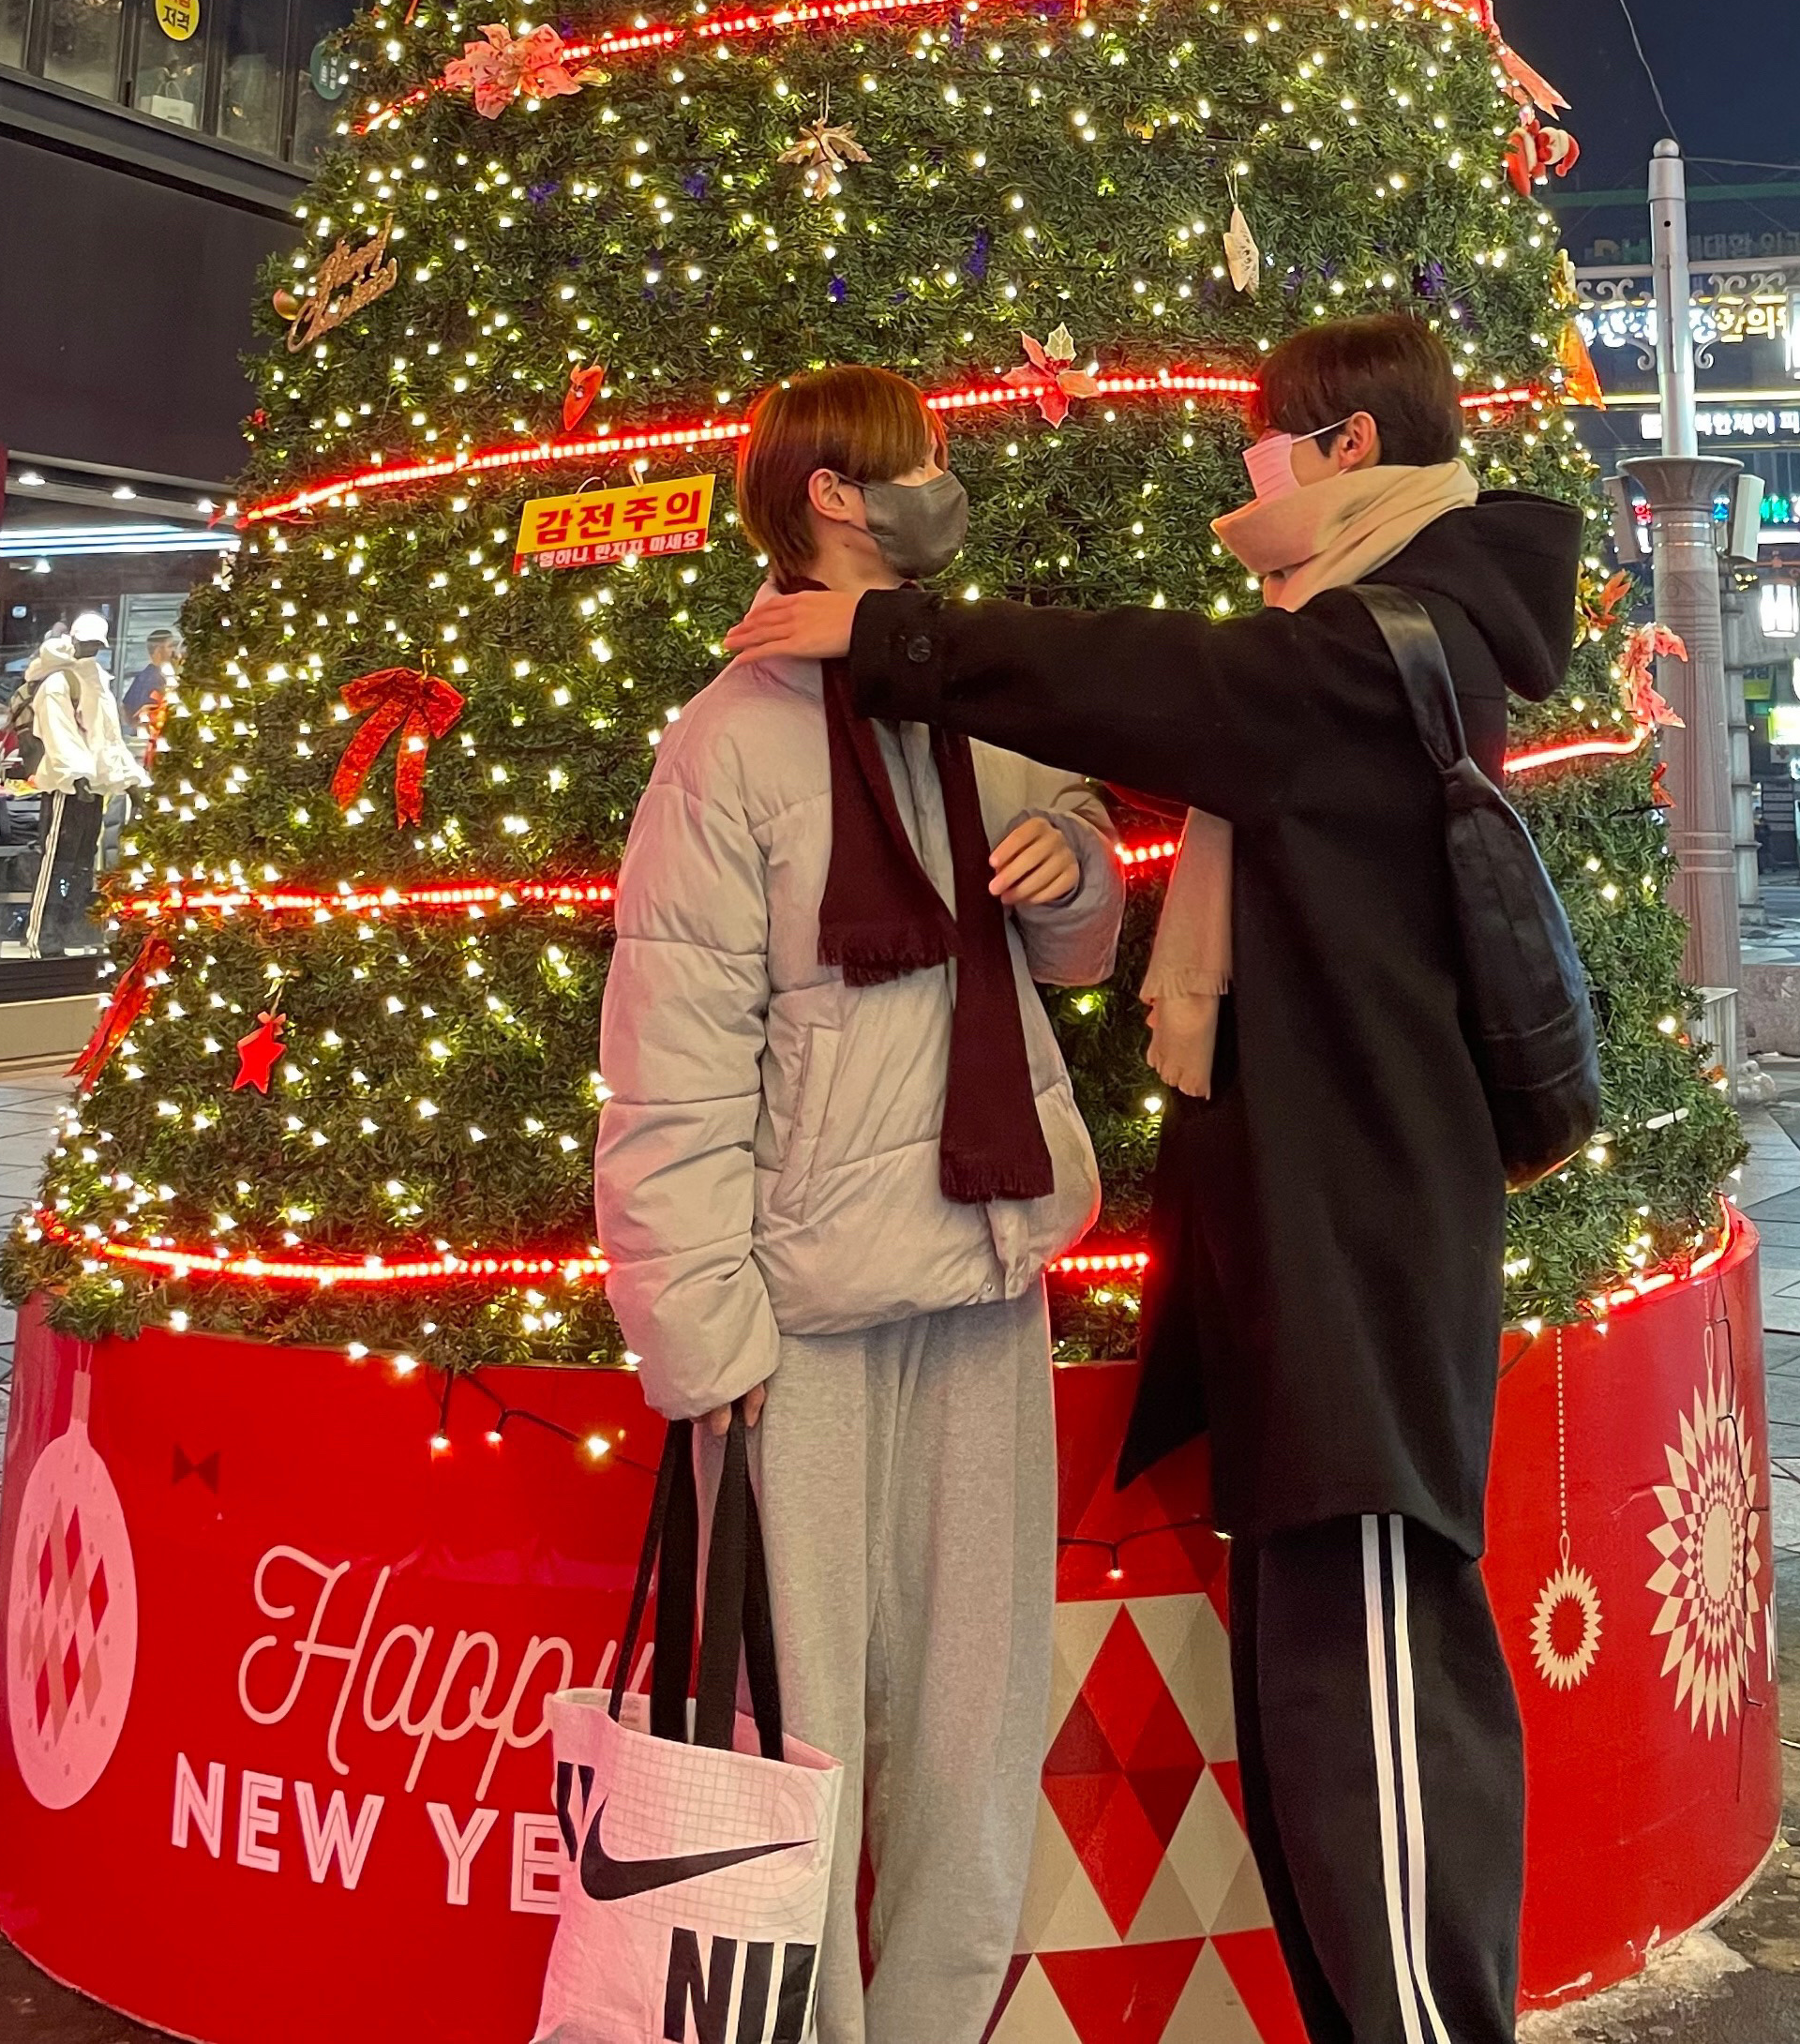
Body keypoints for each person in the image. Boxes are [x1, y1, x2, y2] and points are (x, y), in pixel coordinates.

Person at [727, 312, 1579, 2044]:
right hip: (1314, 1230)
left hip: (1357, 1231)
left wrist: (898, 633)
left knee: (1372, 1697)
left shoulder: (1376, 637)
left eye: (1266, 442)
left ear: (1343, 451)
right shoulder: (1355, 628)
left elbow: (1171, 686)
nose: (1242, 475)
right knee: (1313, 1700)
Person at [594, 366, 1118, 2044]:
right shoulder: (731, 730)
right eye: (920, 459)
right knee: (788, 1729)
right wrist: (699, 1333)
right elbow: (669, 1050)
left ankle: (938, 2024)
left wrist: (1076, 874)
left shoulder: (981, 691)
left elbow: (1079, 944)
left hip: (981, 1257)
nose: (942, 481)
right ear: (831, 489)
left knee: (977, 1719)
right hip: (796, 1305)